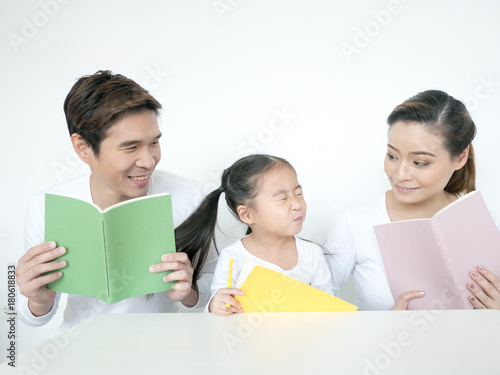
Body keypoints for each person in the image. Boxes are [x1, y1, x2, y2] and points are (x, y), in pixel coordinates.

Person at [16, 70, 215, 330]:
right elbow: (28, 317)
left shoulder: (189, 197)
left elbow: (215, 287)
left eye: (154, 143)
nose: (148, 161)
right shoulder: (48, 206)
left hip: (163, 351)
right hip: (82, 355)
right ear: (83, 147)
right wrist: (39, 302)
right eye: (130, 147)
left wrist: (190, 292)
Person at [323, 89, 500, 311]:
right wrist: (379, 327)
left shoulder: (490, 225)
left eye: (420, 162)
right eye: (392, 156)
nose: (400, 174)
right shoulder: (355, 222)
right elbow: (315, 311)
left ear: (460, 157)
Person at [176, 153, 333, 316]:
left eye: (299, 194)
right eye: (283, 198)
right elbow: (217, 314)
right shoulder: (232, 257)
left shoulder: (312, 254)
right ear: (247, 215)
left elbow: (329, 310)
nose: (296, 204)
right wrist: (215, 306)